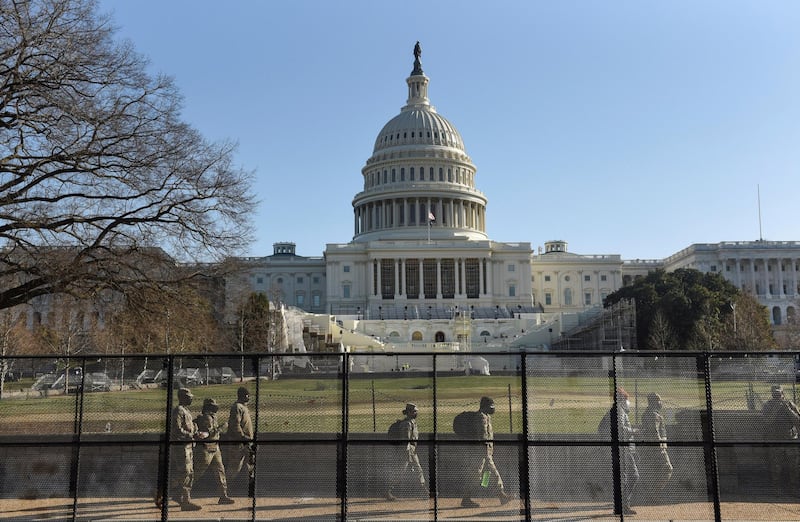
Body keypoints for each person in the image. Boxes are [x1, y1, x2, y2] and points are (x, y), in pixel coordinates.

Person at [461, 397, 511, 508]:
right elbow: (483, 436)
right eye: (491, 406)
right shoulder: (481, 417)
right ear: (485, 406)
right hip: (481, 453)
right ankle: (466, 499)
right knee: (476, 475)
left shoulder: (486, 416)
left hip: (485, 453)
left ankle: (500, 495)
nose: (493, 409)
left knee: (490, 474)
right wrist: (486, 453)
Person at [166, 387, 203, 511]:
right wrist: (191, 435)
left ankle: (178, 496)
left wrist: (196, 431)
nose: (191, 399)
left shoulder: (186, 410)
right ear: (182, 398)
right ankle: (184, 501)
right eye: (189, 397)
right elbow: (176, 429)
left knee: (189, 473)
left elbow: (189, 426)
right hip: (181, 446)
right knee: (186, 473)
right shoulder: (178, 410)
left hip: (188, 446)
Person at [194, 398, 235, 505]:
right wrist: (222, 427)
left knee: (220, 471)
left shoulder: (212, 417)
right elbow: (209, 433)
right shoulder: (207, 417)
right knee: (197, 472)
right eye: (213, 406)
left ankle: (223, 495)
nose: (216, 408)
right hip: (206, 448)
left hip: (215, 448)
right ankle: (182, 492)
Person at [761, 384, 800, 491]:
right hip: (775, 440)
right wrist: (776, 409)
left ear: (783, 394)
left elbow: (798, 421)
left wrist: (788, 410)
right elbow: (767, 421)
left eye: (779, 394)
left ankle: (794, 487)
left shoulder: (790, 404)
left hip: (790, 440)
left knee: (794, 466)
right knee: (775, 466)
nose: (777, 396)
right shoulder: (768, 405)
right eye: (775, 394)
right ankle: (776, 487)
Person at [638, 393, 673, 503]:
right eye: (658, 400)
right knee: (667, 468)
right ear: (653, 402)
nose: (660, 402)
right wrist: (661, 447)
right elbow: (654, 432)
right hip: (656, 449)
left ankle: (652, 494)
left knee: (655, 472)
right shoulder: (653, 415)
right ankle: (654, 494)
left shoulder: (649, 414)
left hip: (650, 449)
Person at [386, 403, 425, 500]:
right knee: (400, 472)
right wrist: (408, 454)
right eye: (414, 411)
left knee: (418, 470)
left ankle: (424, 491)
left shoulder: (413, 422)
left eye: (416, 411)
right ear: (409, 413)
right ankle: (387, 490)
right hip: (406, 451)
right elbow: (405, 440)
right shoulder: (406, 424)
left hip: (412, 451)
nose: (416, 413)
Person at [226, 386, 255, 494]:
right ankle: (225, 489)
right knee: (234, 466)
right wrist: (242, 437)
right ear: (242, 396)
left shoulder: (244, 407)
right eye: (247, 395)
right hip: (238, 442)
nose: (249, 397)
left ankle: (250, 488)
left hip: (247, 441)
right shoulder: (237, 407)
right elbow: (235, 424)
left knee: (250, 465)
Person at [615, 388, 639, 515]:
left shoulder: (620, 411)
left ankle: (623, 504)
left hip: (625, 449)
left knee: (626, 477)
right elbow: (621, 429)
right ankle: (624, 504)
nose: (628, 402)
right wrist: (634, 431)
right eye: (626, 399)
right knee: (632, 476)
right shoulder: (619, 411)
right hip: (623, 449)